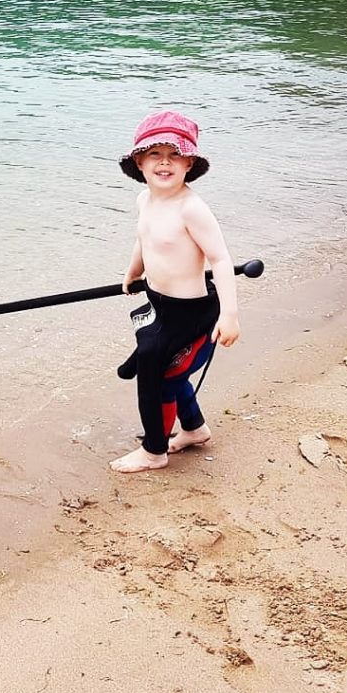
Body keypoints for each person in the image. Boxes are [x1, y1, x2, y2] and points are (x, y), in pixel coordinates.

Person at [109, 110, 240, 474]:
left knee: (158, 375)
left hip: (192, 314)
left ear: (190, 163)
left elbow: (220, 257)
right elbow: (144, 237)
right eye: (154, 154)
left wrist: (229, 314)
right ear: (138, 161)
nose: (164, 162)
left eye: (174, 154)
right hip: (159, 305)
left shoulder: (191, 209)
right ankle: (195, 430)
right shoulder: (144, 201)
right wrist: (134, 271)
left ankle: (154, 451)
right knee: (160, 367)